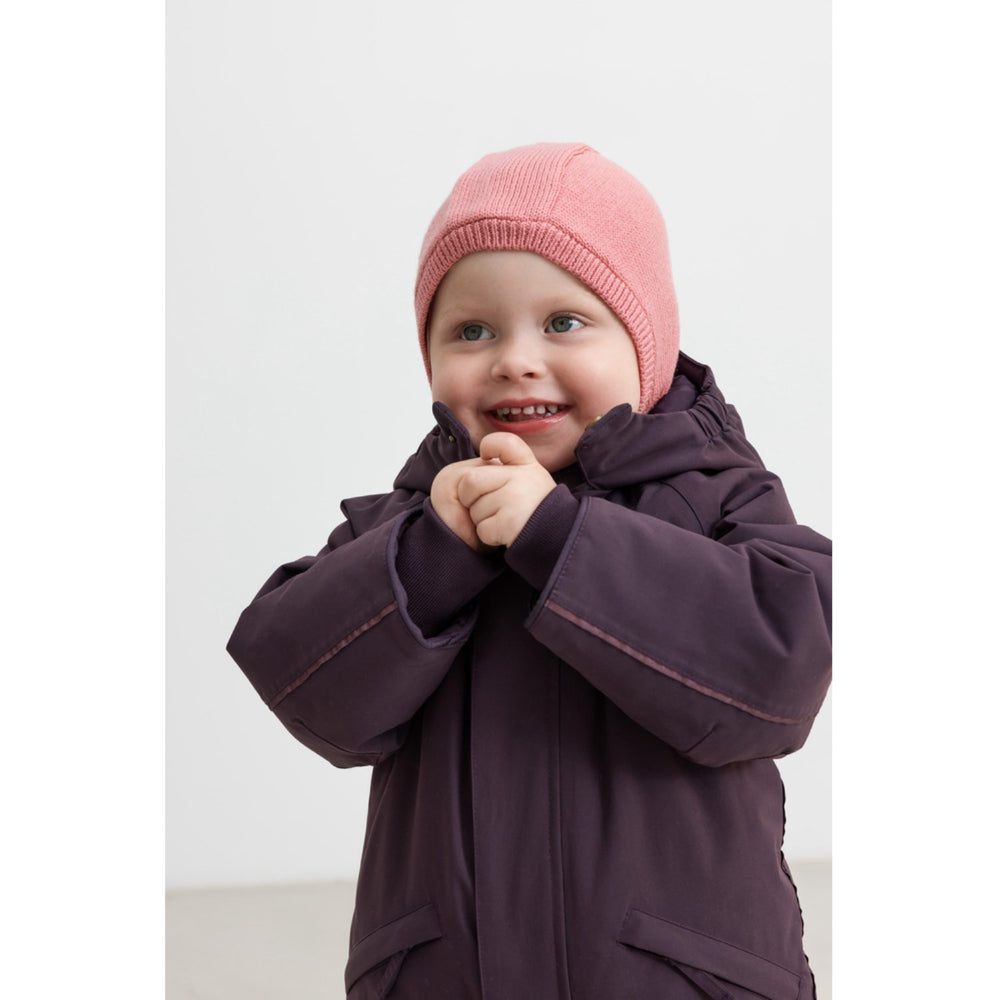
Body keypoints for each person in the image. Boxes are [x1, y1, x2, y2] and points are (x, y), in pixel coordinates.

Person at [227, 143, 832, 1000]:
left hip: (677, 976)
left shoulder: (713, 494)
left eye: (564, 322)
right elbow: (303, 682)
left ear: (646, 344)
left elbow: (779, 670)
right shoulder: (414, 518)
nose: (514, 358)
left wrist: (559, 536)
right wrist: (432, 555)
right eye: (471, 330)